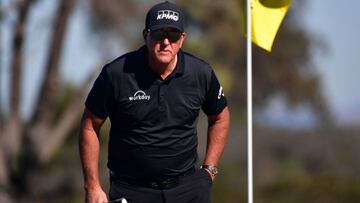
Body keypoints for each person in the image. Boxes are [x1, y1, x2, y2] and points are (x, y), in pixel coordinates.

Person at [79, 1, 230, 203]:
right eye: (159, 34)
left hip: (188, 190)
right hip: (131, 191)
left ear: (182, 39)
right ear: (146, 36)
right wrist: (92, 186)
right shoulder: (117, 73)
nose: (166, 42)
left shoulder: (200, 73)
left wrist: (209, 170)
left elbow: (220, 116)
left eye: (173, 35)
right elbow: (90, 126)